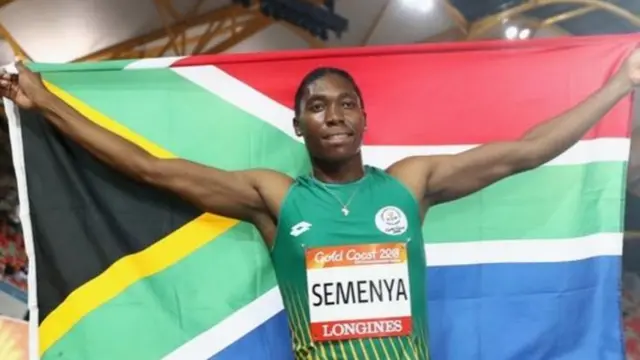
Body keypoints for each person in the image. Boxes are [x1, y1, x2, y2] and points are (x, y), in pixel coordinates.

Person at [1, 50, 640, 359]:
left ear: (365, 117)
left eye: (345, 104)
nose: (333, 115)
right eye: (317, 106)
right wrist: (48, 104)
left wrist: (621, 84)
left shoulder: (410, 185)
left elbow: (526, 151)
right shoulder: (273, 198)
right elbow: (149, 168)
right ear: (298, 125)